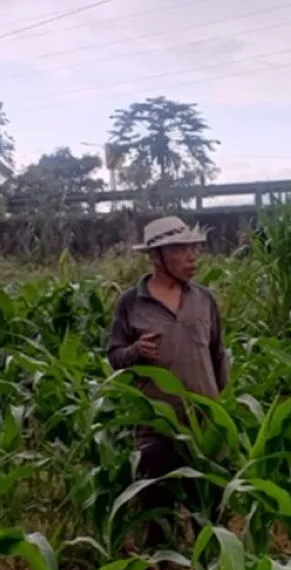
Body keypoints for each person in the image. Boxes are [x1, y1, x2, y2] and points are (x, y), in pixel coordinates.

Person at [107, 215, 229, 549]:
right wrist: (135, 351)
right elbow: (114, 356)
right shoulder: (131, 304)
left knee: (210, 505)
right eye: (180, 249)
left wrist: (217, 407)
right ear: (155, 257)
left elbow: (218, 354)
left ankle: (214, 569)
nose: (193, 256)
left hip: (204, 426)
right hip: (156, 426)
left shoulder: (204, 299)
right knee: (156, 506)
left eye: (193, 248)